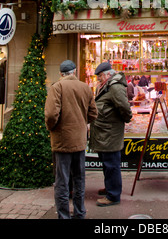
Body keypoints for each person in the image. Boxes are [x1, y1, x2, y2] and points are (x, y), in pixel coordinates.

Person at [45, 60, 98, 219]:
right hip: (79, 142)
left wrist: (52, 128)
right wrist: (82, 124)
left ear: (61, 74)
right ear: (74, 72)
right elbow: (93, 114)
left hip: (62, 142)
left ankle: (64, 215)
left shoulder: (57, 87)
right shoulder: (85, 87)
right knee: (79, 179)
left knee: (62, 182)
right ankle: (79, 212)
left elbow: (50, 115)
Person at [90, 61, 132, 207]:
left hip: (110, 132)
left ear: (108, 74)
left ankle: (113, 195)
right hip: (104, 131)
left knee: (111, 164)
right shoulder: (105, 86)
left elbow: (124, 107)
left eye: (100, 76)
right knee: (106, 162)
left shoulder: (115, 87)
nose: (98, 79)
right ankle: (109, 188)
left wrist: (127, 119)